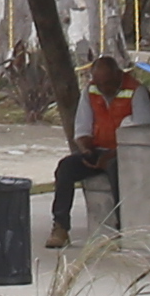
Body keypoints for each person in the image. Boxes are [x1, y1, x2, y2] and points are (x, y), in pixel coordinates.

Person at [51, 56, 136, 245]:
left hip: (125, 154)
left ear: (118, 76)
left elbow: (141, 134)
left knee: (114, 170)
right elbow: (82, 130)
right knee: (66, 167)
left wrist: (111, 156)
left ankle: (122, 228)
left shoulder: (136, 92)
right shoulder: (90, 92)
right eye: (99, 83)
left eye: (107, 83)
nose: (103, 89)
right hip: (99, 150)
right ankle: (60, 227)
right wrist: (87, 151)